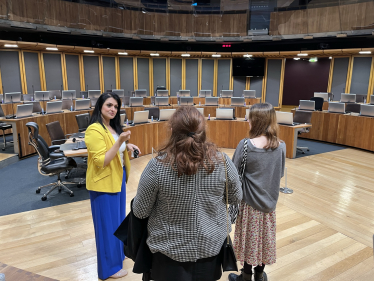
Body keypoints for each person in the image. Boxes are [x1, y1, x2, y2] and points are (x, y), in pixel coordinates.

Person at [132, 106, 243, 281]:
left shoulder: (156, 167)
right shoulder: (223, 162)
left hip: (168, 254)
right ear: (203, 131)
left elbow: (140, 211)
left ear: (171, 131)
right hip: (211, 248)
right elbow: (236, 197)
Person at [85, 92, 140, 280]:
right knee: (106, 226)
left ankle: (117, 255)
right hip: (103, 184)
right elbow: (102, 160)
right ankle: (108, 269)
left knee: (117, 223)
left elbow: (115, 149)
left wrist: (128, 147)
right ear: (100, 106)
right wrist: (120, 142)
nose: (113, 109)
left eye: (116, 107)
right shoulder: (94, 129)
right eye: (109, 105)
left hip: (117, 180)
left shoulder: (112, 127)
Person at [229, 103, 286, 281]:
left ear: (257, 121)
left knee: (249, 241)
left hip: (249, 203)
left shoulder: (245, 145)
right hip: (269, 203)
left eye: (250, 117)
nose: (247, 121)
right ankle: (260, 276)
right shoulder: (281, 146)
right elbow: (281, 172)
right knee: (263, 240)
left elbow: (233, 172)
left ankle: (245, 276)